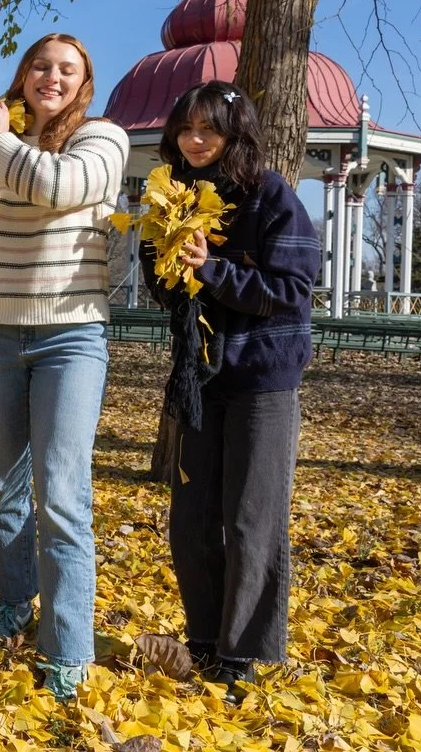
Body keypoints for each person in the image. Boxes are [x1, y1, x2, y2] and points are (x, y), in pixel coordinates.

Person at [0, 32, 129, 700]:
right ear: (22, 75)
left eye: (67, 69)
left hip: (71, 337)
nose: (51, 77)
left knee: (61, 493)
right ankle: (15, 600)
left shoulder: (103, 137)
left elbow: (62, 187)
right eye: (39, 65)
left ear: (83, 81)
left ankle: (68, 648)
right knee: (3, 489)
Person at [141, 80, 320, 703]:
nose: (193, 141)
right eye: (184, 129)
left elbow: (292, 291)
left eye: (207, 131)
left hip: (263, 376)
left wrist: (211, 269)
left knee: (250, 519)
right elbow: (167, 289)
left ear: (233, 136)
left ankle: (243, 652)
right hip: (200, 375)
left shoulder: (271, 196)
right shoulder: (172, 193)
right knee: (191, 521)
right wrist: (162, 261)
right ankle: (206, 638)